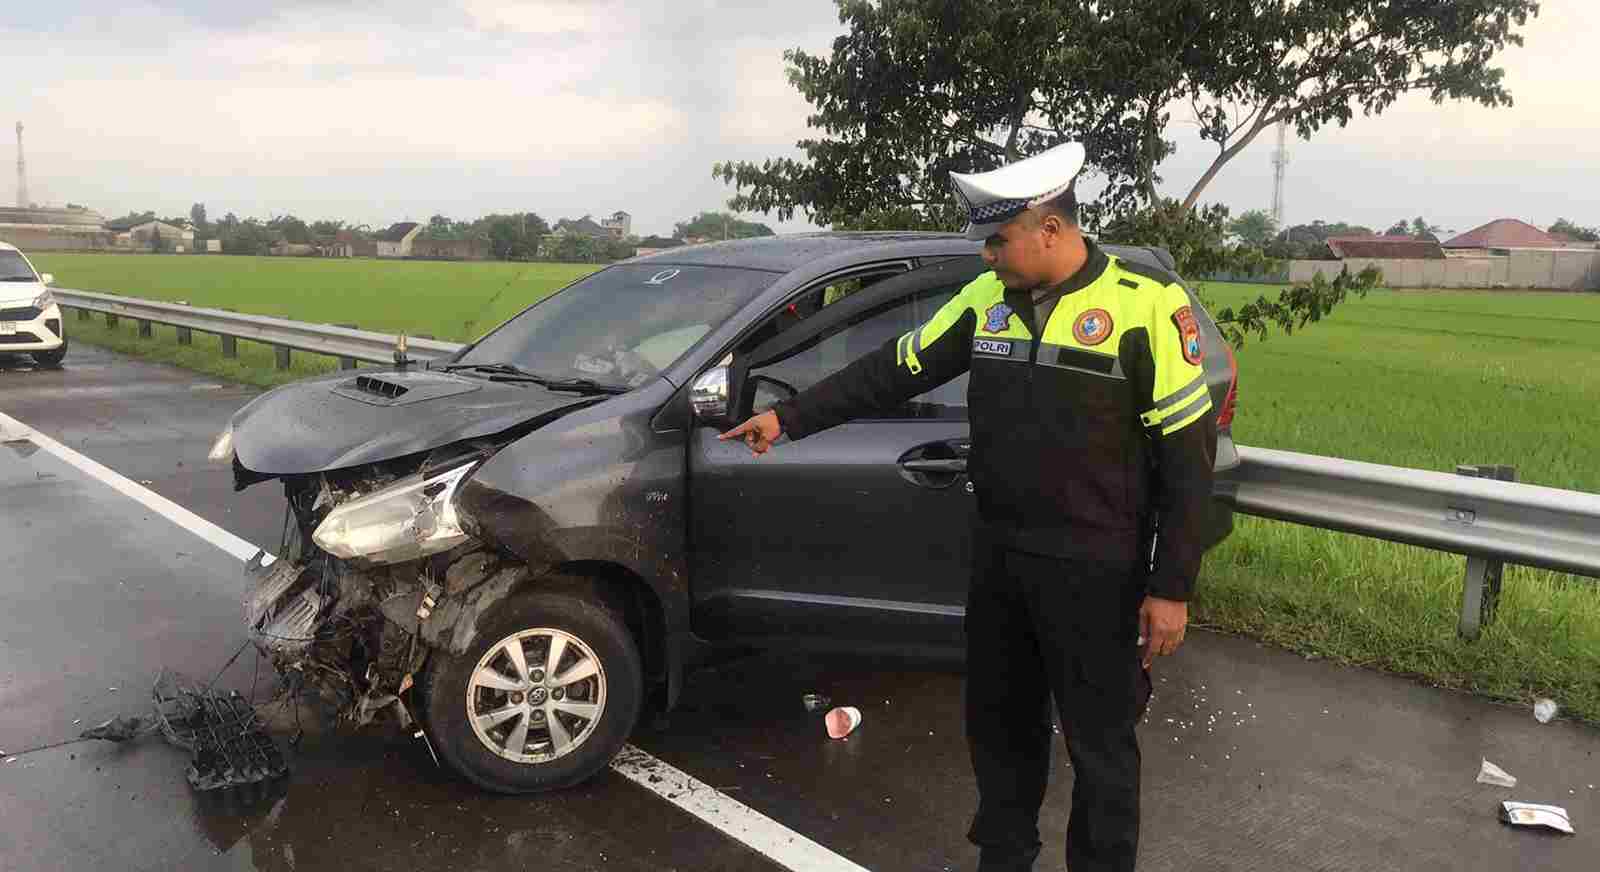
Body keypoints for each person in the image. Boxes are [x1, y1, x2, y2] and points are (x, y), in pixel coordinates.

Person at [719, 141, 1217, 872]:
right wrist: (791, 419)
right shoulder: (986, 302)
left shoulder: (1146, 307)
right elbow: (895, 368)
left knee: (1101, 747)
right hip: (1002, 561)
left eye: (998, 240)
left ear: (1050, 229)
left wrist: (1170, 588)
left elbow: (1187, 458)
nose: (988, 256)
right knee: (1000, 731)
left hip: (1096, 570)